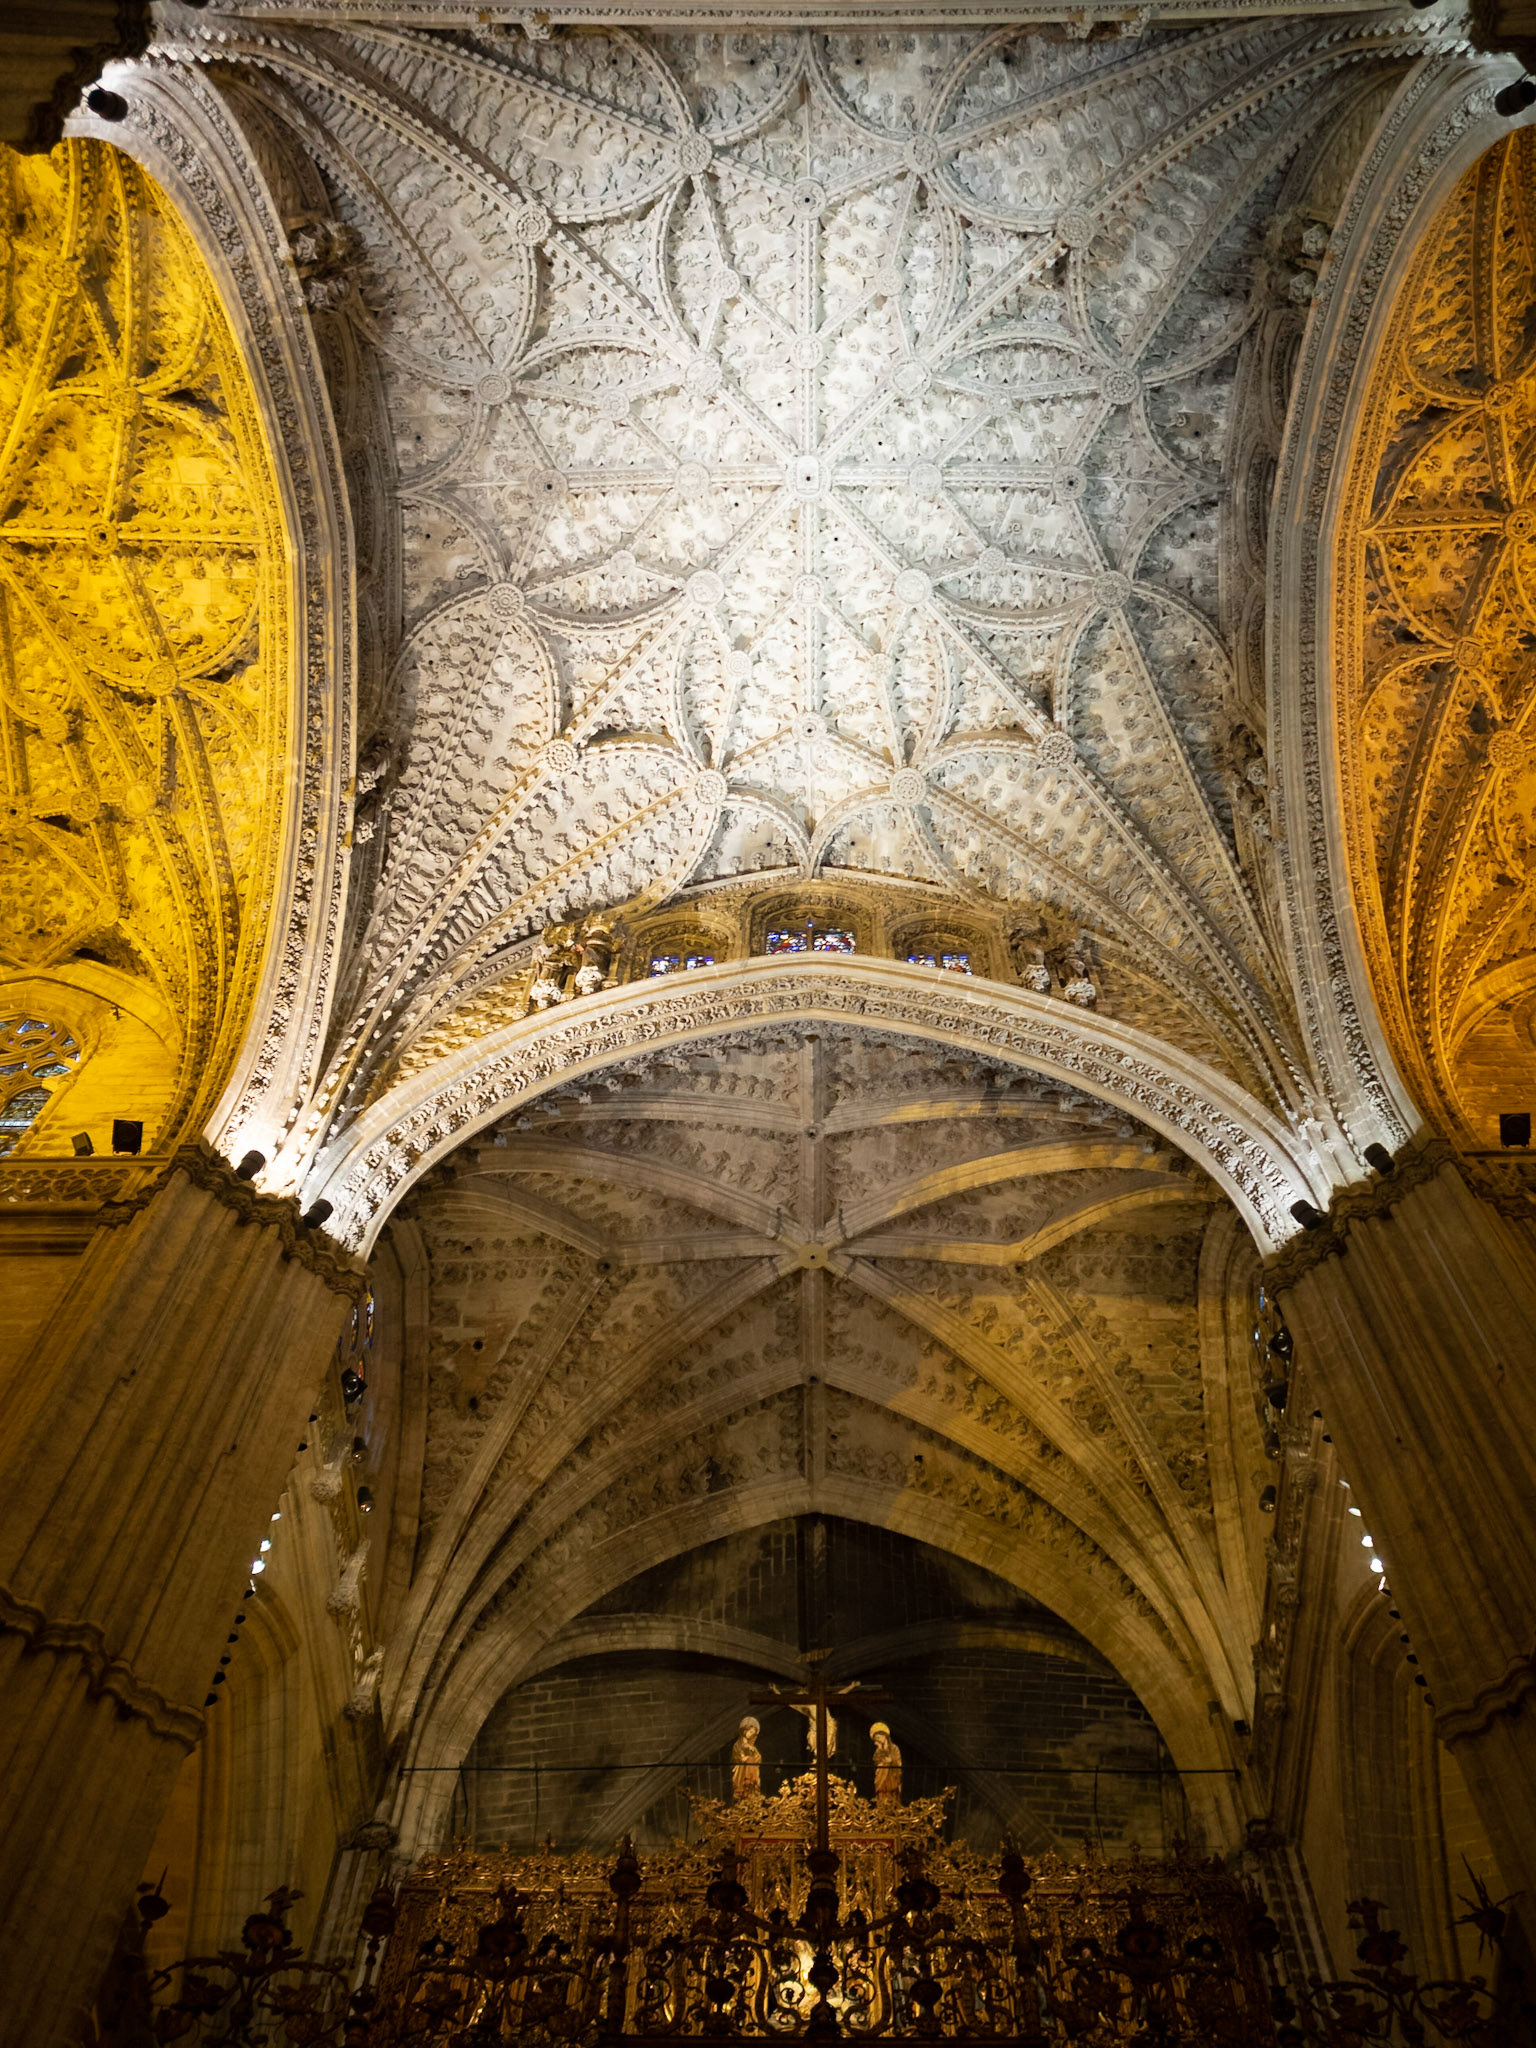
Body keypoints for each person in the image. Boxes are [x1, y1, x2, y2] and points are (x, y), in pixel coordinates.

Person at [871, 1722, 902, 1808]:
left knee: (892, 1796)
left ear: (885, 1736)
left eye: (878, 1738)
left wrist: (891, 1761)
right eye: (875, 1739)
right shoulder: (878, 1750)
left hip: (892, 1777)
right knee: (881, 1795)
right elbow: (875, 1762)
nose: (877, 1740)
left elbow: (898, 1763)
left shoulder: (894, 1748)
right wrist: (880, 1751)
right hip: (881, 1777)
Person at [732, 1715, 762, 1800]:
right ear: (745, 1730)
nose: (750, 1734)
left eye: (753, 1733)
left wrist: (752, 1755)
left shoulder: (752, 1747)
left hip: (752, 1774)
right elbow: (735, 1758)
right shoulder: (737, 1745)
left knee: (752, 1788)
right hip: (741, 1772)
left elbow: (758, 1758)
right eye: (750, 1731)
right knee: (741, 1788)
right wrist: (742, 1759)